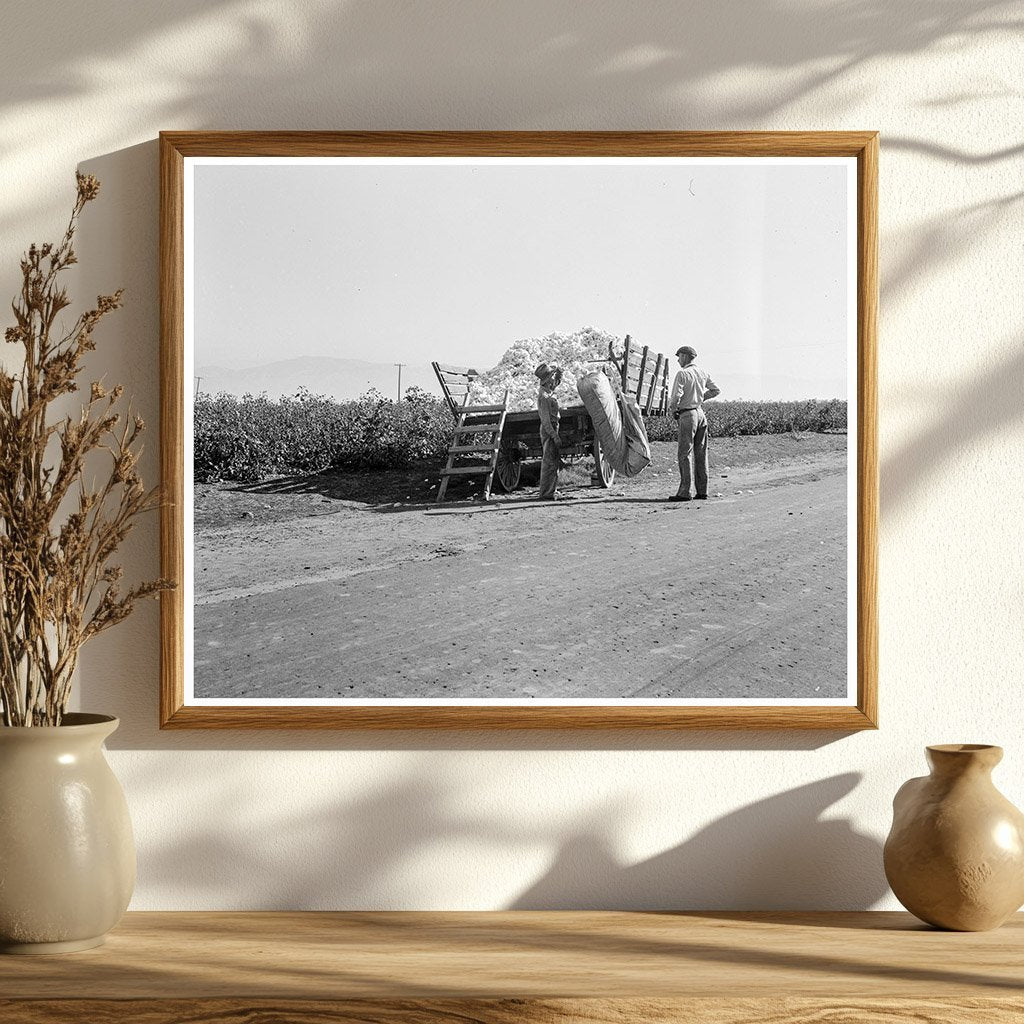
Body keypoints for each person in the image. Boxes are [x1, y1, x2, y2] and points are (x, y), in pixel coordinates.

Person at [668, 345, 720, 501]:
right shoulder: (702, 372)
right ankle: (702, 491)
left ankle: (684, 492)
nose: (678, 360)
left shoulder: (683, 374)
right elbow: (716, 390)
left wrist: (674, 410)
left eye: (679, 357)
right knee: (701, 452)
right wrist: (700, 398)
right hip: (700, 413)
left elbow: (676, 396)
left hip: (688, 414)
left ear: (684, 356)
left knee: (684, 453)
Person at [535, 362, 563, 501]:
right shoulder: (544, 397)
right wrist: (554, 435)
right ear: (547, 380)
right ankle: (546, 493)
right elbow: (545, 420)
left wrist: (559, 372)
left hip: (552, 426)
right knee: (549, 461)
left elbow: (556, 382)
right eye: (552, 376)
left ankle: (551, 491)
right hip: (549, 429)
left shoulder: (548, 392)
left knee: (553, 460)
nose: (553, 379)